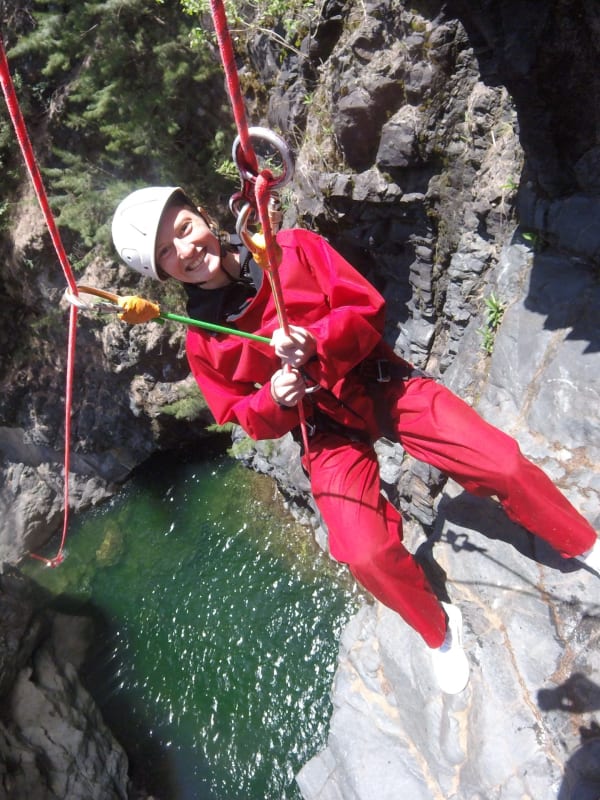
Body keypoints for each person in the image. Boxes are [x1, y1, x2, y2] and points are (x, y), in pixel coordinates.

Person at [111, 185, 599, 694]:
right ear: (162, 274)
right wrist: (274, 397)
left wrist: (315, 341)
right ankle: (438, 629)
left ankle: (579, 540)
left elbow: (367, 307)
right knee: (362, 552)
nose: (185, 251)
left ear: (206, 217)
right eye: (166, 253)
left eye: (184, 229)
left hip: (377, 378)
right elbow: (241, 415)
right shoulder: (201, 339)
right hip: (322, 428)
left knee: (500, 463)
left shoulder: (290, 250)